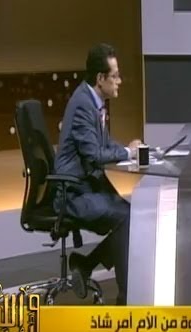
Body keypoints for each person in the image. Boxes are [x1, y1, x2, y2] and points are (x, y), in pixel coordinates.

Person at [53, 43, 142, 305]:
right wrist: (126, 153)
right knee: (128, 218)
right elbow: (93, 155)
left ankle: (86, 265)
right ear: (100, 78)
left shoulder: (93, 101)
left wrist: (130, 151)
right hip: (73, 193)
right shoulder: (83, 104)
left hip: (86, 186)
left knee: (133, 216)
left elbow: (103, 144)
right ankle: (124, 300)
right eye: (115, 76)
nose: (119, 81)